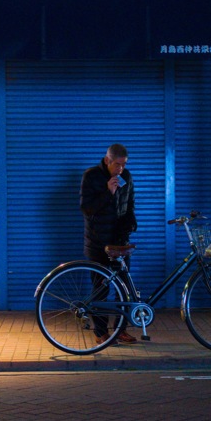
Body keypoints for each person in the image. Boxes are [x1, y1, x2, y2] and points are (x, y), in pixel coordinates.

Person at [80, 143, 138, 345]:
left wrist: (131, 224)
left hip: (120, 242)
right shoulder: (92, 176)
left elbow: (129, 204)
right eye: (117, 164)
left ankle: (120, 330)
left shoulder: (127, 177)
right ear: (107, 160)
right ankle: (101, 333)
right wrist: (107, 193)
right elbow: (86, 209)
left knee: (125, 287)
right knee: (101, 289)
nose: (120, 169)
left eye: (123, 165)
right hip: (98, 243)